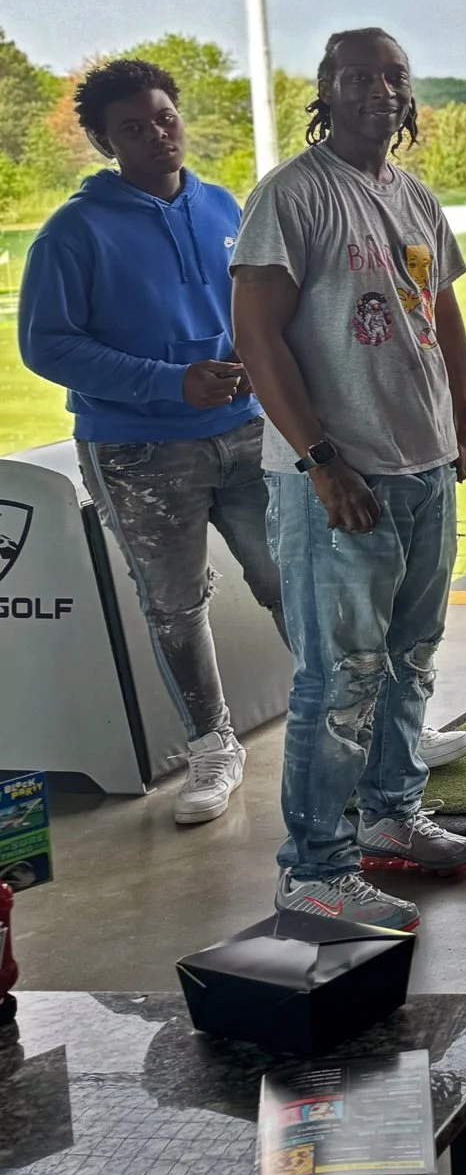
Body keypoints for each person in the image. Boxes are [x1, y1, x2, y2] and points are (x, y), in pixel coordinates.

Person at [230, 28, 466, 934]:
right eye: (358, 76)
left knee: (411, 656)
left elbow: (440, 310)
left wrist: (464, 412)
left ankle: (390, 812)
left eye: (393, 76)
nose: (379, 89)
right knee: (339, 676)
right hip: (342, 476)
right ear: (326, 91)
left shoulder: (414, 195)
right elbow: (256, 337)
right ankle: (314, 867)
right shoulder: (290, 196)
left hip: (424, 466)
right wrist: (322, 462)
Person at [19, 58, 287, 826]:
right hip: (138, 449)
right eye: (132, 127)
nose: (156, 134)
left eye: (164, 116)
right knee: (174, 605)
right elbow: (48, 345)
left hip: (245, 430)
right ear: (105, 141)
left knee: (290, 578)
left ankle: (353, 718)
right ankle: (212, 746)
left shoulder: (221, 205)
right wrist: (169, 381)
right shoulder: (74, 231)